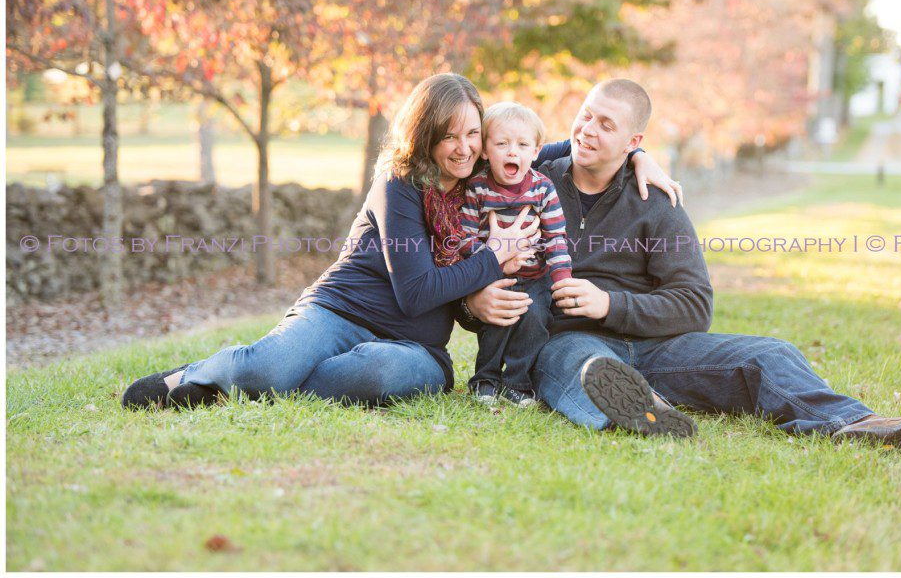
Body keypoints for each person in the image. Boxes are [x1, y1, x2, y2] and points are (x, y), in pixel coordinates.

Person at [121, 73, 683, 411]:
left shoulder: (476, 179)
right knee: (271, 370)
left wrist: (635, 151)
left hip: (419, 352)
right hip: (338, 312)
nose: (463, 148)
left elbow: (550, 146)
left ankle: (287, 375)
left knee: (386, 376)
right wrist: (492, 260)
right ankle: (198, 377)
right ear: (426, 134)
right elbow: (416, 293)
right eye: (450, 135)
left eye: (473, 135)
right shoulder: (398, 185)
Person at [463, 78, 901, 452]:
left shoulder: (657, 201)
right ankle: (642, 410)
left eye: (606, 124)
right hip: (570, 336)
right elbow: (462, 231)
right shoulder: (528, 182)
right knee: (576, 364)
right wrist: (476, 293)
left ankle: (861, 425)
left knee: (768, 354)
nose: (587, 129)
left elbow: (695, 304)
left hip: (659, 349)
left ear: (634, 143)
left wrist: (610, 303)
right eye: (587, 114)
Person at [458, 102, 572, 406]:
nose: (512, 152)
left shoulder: (543, 189)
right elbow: (465, 238)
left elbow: (556, 237)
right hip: (494, 274)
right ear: (485, 151)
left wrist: (561, 279)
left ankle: (517, 383)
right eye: (502, 144)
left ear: (535, 152)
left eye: (522, 145)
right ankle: (485, 379)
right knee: (497, 322)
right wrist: (495, 258)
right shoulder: (478, 189)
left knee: (534, 321)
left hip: (536, 277)